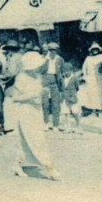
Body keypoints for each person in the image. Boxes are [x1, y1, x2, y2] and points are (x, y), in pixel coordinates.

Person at [7, 51, 60, 181]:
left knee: (26, 140)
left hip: (36, 111)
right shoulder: (21, 78)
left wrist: (42, 92)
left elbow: (38, 92)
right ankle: (50, 168)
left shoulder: (37, 77)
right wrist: (35, 94)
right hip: (25, 112)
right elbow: (15, 97)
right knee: (37, 140)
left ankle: (16, 165)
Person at [81, 42, 102, 117]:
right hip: (90, 79)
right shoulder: (88, 58)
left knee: (100, 95)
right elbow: (84, 68)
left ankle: (100, 112)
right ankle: (93, 112)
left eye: (96, 49)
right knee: (92, 95)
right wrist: (85, 77)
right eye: (93, 49)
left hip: (100, 79)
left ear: (99, 50)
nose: (95, 50)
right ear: (91, 50)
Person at [0, 39, 23, 133]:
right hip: (20, 85)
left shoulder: (13, 59)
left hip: (12, 85)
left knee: (9, 105)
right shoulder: (20, 57)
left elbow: (11, 72)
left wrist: (2, 76)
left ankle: (11, 127)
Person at [42, 43, 65, 130]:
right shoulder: (44, 59)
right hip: (45, 81)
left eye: (54, 50)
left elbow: (63, 72)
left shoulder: (59, 59)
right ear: (48, 50)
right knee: (45, 104)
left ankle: (56, 124)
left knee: (56, 104)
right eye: (51, 50)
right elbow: (40, 71)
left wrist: (62, 85)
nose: (52, 52)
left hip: (55, 82)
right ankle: (45, 123)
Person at [60, 62, 82, 133]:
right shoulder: (62, 78)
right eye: (64, 71)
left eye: (68, 71)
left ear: (71, 70)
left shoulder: (74, 78)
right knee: (66, 113)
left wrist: (73, 93)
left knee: (75, 112)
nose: (66, 73)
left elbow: (77, 87)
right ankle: (68, 127)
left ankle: (78, 126)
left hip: (72, 97)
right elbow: (61, 87)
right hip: (64, 98)